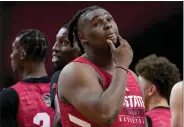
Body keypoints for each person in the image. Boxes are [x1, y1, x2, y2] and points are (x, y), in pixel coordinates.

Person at [57, 5, 147, 127]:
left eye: (109, 19)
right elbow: (105, 115)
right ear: (82, 37)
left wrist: (122, 66)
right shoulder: (74, 71)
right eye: (97, 23)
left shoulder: (131, 75)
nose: (108, 25)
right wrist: (121, 65)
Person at [0, 29, 55, 127]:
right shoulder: (60, 90)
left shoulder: (9, 97)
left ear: (22, 54)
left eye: (13, 50)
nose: (11, 55)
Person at [135, 54, 181, 127]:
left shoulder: (143, 121)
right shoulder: (180, 119)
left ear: (151, 90)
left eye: (138, 84)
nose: (135, 89)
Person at [50, 23, 81, 127]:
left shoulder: (61, 75)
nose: (54, 48)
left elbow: (61, 118)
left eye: (64, 42)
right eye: (56, 41)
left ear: (83, 50)